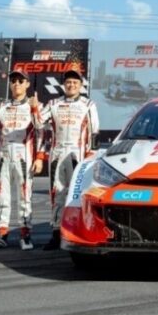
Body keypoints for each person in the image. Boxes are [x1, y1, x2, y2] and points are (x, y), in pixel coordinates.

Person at [35, 69, 99, 250]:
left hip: (77, 154)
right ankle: (56, 233)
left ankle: (77, 232)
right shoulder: (54, 103)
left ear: (80, 85)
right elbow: (38, 123)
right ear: (64, 85)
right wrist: (34, 108)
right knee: (57, 194)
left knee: (77, 194)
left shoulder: (88, 104)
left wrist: (90, 156)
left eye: (75, 82)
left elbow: (94, 132)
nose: (71, 85)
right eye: (69, 82)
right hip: (57, 153)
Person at [0, 70, 39, 250]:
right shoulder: (1, 106)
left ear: (27, 84)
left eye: (20, 81)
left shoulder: (33, 105)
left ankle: (25, 236)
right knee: (2, 196)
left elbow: (41, 130)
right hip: (3, 154)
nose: (16, 84)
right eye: (13, 81)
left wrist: (40, 157)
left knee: (24, 197)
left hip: (24, 154)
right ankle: (2, 235)